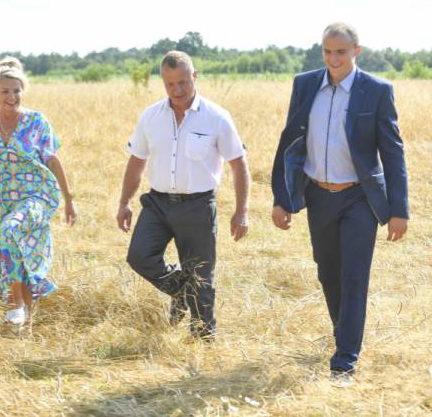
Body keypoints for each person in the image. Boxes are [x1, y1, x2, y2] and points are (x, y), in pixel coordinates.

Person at [271, 22, 409, 382]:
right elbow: (289, 144)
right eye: (328, 51)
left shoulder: (376, 91)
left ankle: (345, 360)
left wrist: (399, 210)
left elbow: (392, 153)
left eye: (341, 52)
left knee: (354, 276)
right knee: (327, 271)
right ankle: (344, 333)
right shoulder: (304, 85)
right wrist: (282, 198)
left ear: (356, 52)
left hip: (359, 197)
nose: (333, 59)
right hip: (318, 195)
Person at [117, 51, 250, 340]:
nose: (177, 90)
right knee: (139, 257)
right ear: (163, 82)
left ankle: (203, 341)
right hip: (158, 204)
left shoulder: (217, 117)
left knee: (201, 276)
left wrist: (241, 211)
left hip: (198, 207)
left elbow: (238, 164)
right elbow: (137, 161)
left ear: (195, 77)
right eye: (170, 84)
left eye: (183, 82)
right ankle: (180, 289)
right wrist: (124, 203)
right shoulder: (150, 117)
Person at [0, 57, 76, 331]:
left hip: (36, 196)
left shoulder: (37, 121)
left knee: (10, 229)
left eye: (16, 90)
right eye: (5, 91)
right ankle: (25, 318)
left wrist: (68, 200)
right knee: (17, 251)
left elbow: (52, 160)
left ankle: (15, 305)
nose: (11, 97)